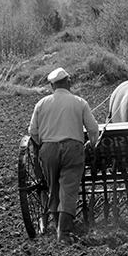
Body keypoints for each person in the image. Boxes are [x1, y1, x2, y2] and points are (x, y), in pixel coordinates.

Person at [26, 67, 100, 243]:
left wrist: (42, 145)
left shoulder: (41, 104)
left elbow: (33, 132)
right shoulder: (79, 102)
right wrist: (92, 144)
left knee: (54, 190)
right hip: (73, 150)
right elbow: (93, 128)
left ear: (52, 86)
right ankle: (64, 233)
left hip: (48, 150)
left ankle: (60, 228)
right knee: (69, 189)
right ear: (69, 82)